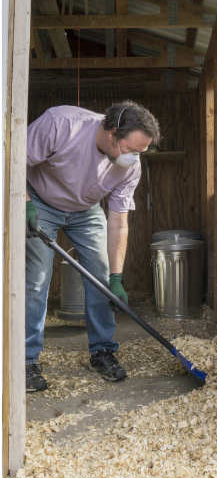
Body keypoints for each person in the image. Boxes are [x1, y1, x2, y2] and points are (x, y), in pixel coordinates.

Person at [25, 101, 160, 391]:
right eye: (130, 150)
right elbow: (11, 158)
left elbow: (119, 222)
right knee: (37, 280)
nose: (134, 158)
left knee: (100, 277)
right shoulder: (61, 124)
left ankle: (102, 351)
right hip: (40, 201)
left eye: (141, 152)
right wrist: (23, 204)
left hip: (86, 210)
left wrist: (116, 277)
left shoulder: (130, 167)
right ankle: (26, 360)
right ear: (111, 132)